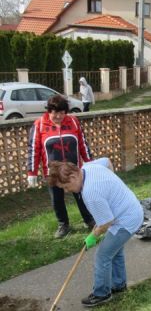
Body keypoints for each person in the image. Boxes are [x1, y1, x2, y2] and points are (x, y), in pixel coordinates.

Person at [48, 158, 144, 307]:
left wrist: (93, 236)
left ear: (73, 177)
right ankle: (119, 284)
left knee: (102, 256)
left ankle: (102, 294)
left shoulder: (90, 193)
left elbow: (106, 222)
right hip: (131, 209)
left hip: (126, 220)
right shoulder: (89, 167)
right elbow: (107, 161)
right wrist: (112, 185)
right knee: (114, 251)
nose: (67, 191)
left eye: (66, 187)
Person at [27, 94, 94, 238]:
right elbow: (34, 149)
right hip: (53, 173)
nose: (59, 116)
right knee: (57, 199)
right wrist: (31, 172)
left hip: (74, 170)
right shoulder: (39, 125)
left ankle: (89, 219)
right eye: (55, 113)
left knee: (82, 195)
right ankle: (63, 225)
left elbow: (82, 143)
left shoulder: (74, 122)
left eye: (62, 113)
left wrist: (89, 162)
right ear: (49, 111)